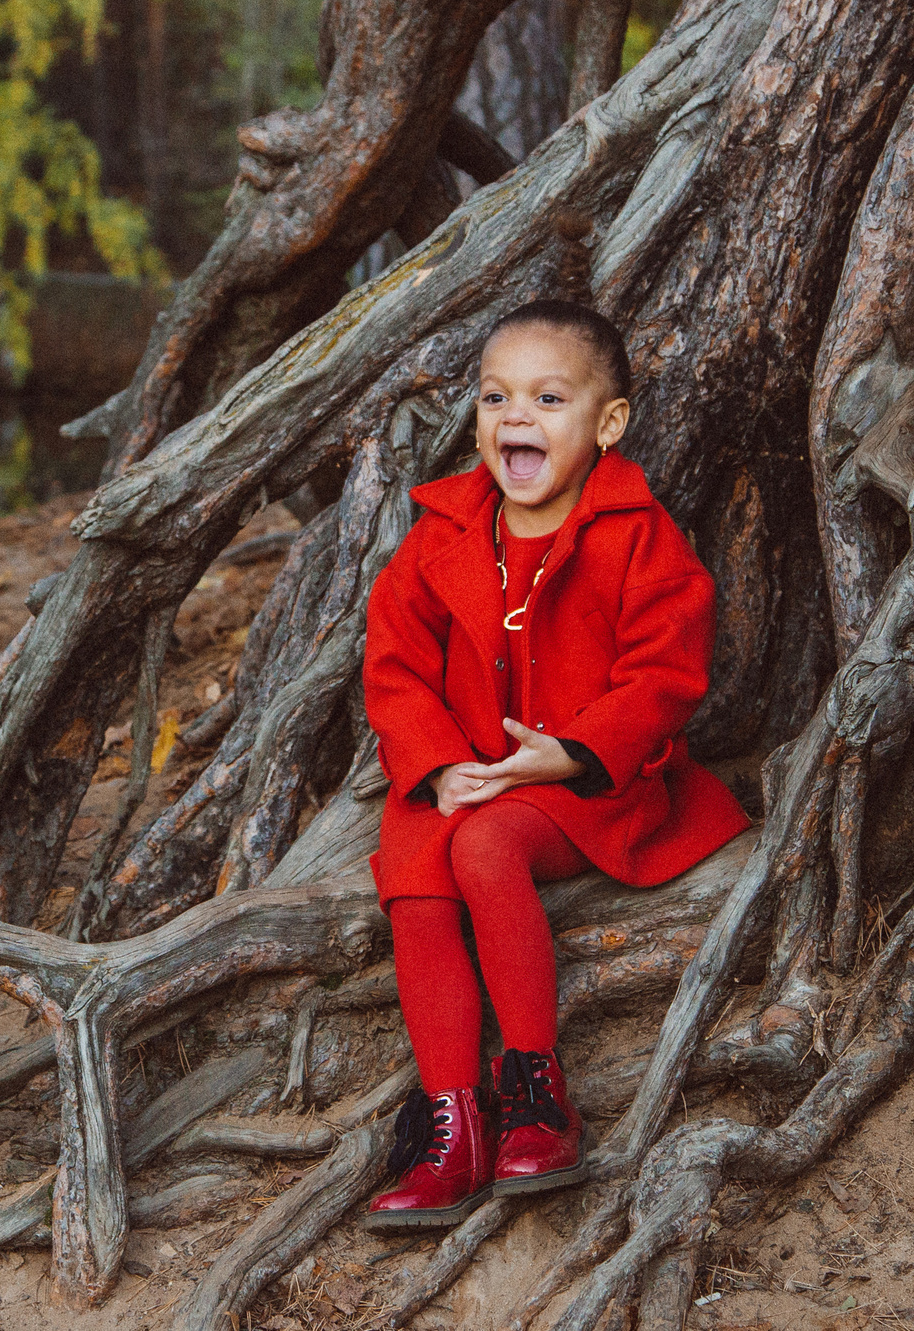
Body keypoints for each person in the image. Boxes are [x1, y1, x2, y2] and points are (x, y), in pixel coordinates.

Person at [359, 299, 750, 1229]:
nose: (516, 418)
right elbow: (394, 661)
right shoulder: (444, 532)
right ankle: (451, 1118)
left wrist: (573, 752)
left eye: (547, 397)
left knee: (485, 850)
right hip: (463, 774)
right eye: (496, 397)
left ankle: (535, 1090)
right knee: (418, 877)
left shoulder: (636, 534)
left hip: (586, 785)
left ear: (607, 424)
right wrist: (439, 764)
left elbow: (666, 671)